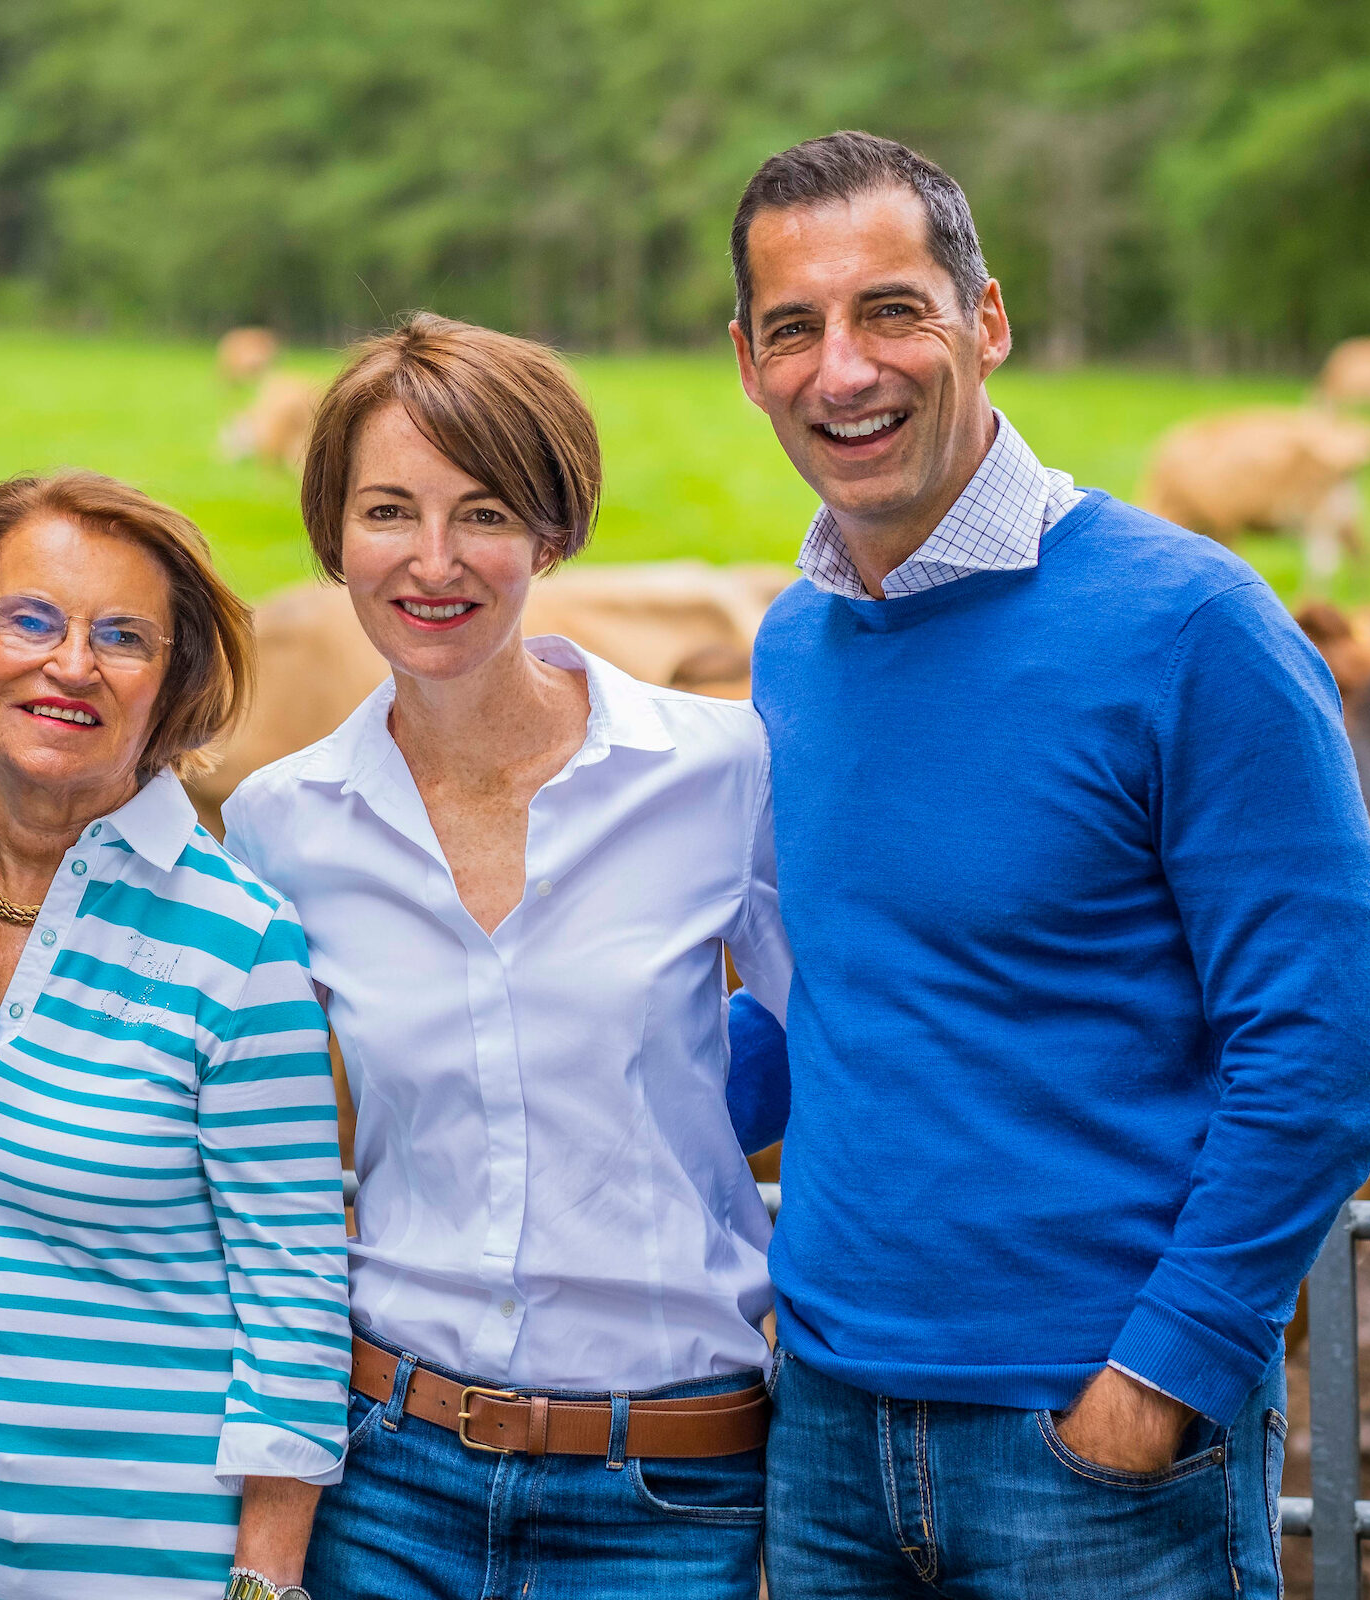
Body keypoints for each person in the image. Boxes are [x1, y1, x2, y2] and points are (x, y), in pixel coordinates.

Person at [728, 131, 1370, 1599]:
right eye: (794, 329)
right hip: (823, 1426)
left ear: (989, 320)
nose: (844, 369)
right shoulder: (796, 647)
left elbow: (1325, 1042)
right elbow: (828, 1002)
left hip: (1091, 1445)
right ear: (748, 359)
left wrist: (1162, 1382)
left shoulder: (1193, 625)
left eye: (893, 310)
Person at [224, 313, 794, 1600]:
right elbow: (258, 1153)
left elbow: (857, 1050)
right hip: (386, 1473)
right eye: (386, 512)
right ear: (332, 537)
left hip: (667, 1484)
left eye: (482, 511)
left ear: (551, 530)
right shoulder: (280, 822)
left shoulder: (716, 770)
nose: (432, 561)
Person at [0, 470, 349, 1600]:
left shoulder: (239, 942)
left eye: (124, 636)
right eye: (29, 619)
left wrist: (261, 1583)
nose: (70, 664)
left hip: (144, 1565)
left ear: (174, 682)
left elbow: (295, 1294)